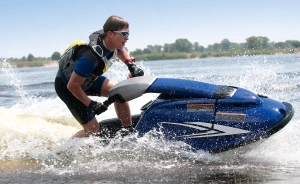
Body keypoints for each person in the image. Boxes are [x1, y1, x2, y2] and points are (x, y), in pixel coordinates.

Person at [54, 15, 144, 139]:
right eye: (123, 34)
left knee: (119, 93)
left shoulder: (111, 40)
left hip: (87, 80)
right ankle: (65, 151)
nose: (127, 38)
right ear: (111, 34)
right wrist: (91, 104)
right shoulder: (90, 58)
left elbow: (120, 49)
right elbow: (73, 86)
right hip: (68, 87)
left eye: (128, 33)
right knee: (93, 130)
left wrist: (130, 64)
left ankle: (127, 132)